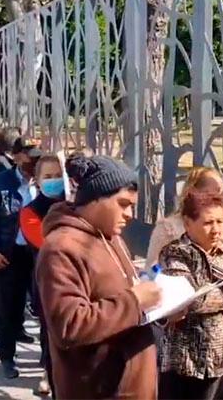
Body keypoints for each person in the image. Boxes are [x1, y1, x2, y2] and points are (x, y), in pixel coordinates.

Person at [36, 155, 161, 399]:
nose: (129, 215)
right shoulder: (61, 248)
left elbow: (121, 299)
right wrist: (135, 301)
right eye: (122, 204)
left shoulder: (109, 237)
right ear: (95, 199)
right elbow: (69, 325)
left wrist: (159, 306)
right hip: (97, 389)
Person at [158, 191, 223, 400]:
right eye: (208, 223)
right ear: (188, 223)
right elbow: (192, 302)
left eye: (220, 222)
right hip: (190, 364)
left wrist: (216, 269)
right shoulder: (175, 253)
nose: (216, 230)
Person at [0, 136, 42, 379]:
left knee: (42, 306)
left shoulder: (46, 183)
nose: (33, 160)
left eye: (36, 155)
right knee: (8, 305)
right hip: (9, 252)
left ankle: (46, 359)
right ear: (16, 156)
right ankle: (7, 356)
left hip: (38, 254)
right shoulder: (1, 183)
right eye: (28, 155)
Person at [147, 167, 223, 275]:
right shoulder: (168, 229)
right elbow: (151, 272)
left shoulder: (220, 228)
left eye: (220, 196)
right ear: (192, 193)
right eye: (210, 195)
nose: (216, 201)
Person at [18, 154, 65, 397]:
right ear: (37, 180)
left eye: (58, 175)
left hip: (77, 283)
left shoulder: (76, 204)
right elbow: (45, 244)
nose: (54, 181)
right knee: (49, 331)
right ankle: (48, 370)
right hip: (47, 283)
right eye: (48, 177)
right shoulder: (30, 213)